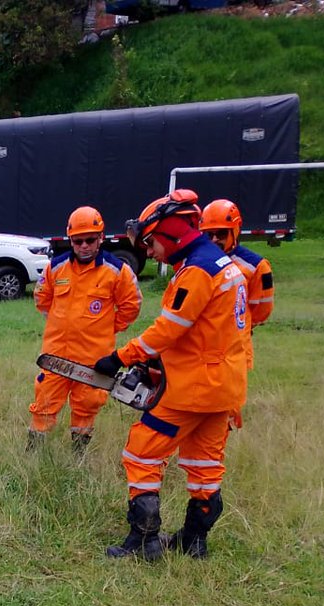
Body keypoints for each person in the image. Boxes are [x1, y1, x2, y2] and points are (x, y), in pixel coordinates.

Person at [96, 190, 248, 560]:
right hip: (224, 388)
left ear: (171, 232)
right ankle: (194, 542)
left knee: (141, 453)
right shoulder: (226, 266)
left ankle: (143, 541)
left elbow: (169, 329)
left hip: (191, 390)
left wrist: (121, 356)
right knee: (204, 467)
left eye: (151, 242)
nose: (149, 251)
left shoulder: (198, 272)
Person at [28, 206, 141, 449]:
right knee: (44, 403)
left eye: (90, 240)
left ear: (101, 237)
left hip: (93, 359)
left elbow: (131, 306)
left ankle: (79, 455)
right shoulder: (55, 268)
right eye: (78, 241)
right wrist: (60, 323)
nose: (84, 246)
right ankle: (33, 454)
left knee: (87, 406)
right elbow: (42, 298)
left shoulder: (118, 271)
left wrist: (106, 328)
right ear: (70, 240)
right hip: (56, 356)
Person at [200, 198, 274, 428]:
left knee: (226, 409)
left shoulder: (256, 266)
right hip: (202, 347)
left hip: (234, 349)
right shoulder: (197, 262)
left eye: (220, 234)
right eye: (208, 234)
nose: (214, 240)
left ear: (235, 230)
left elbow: (261, 310)